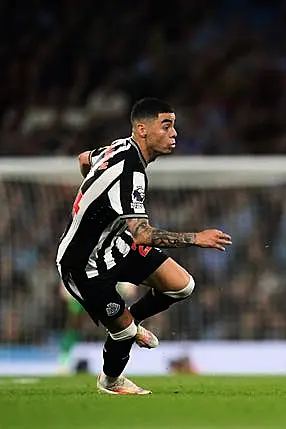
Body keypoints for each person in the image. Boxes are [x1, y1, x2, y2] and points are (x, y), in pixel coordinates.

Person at [56, 97, 232, 394]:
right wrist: (196, 238)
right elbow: (143, 235)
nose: (174, 133)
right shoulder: (130, 172)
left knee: (181, 285)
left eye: (174, 126)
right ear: (142, 129)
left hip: (117, 248)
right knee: (122, 331)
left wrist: (97, 199)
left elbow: (85, 159)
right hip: (83, 264)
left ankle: (131, 322)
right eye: (166, 126)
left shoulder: (119, 146)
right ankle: (111, 380)